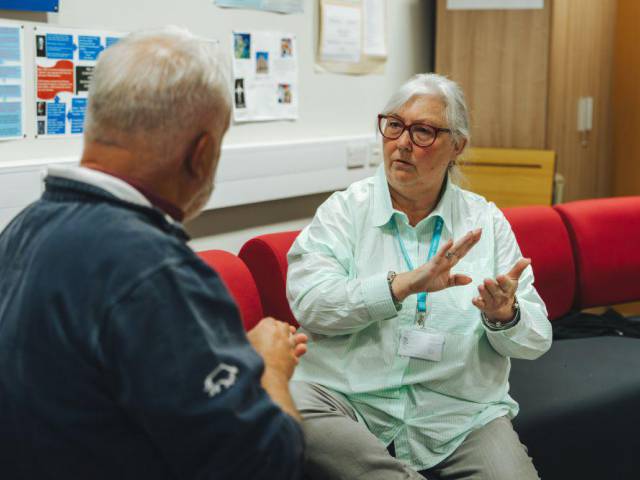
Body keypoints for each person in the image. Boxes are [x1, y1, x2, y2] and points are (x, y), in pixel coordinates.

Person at [0, 27, 307, 480]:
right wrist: (270, 368)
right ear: (201, 154)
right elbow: (267, 463)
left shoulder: (24, 227)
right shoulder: (154, 268)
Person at [286, 73, 552, 480]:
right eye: (394, 125)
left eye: (423, 131)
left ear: (457, 146)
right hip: (348, 400)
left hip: (456, 414)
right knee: (288, 403)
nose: (403, 143)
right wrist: (400, 286)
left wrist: (505, 315)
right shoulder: (345, 211)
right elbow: (311, 304)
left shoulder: (485, 222)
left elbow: (537, 338)